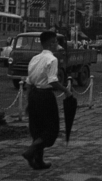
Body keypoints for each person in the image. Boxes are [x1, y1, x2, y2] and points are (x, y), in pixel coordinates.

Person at [22, 31, 72, 170]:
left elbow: (28, 82)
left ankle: (38, 161)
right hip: (45, 96)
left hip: (33, 95)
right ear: (51, 44)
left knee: (37, 129)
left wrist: (28, 101)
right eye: (56, 41)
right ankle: (30, 151)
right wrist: (66, 91)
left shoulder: (35, 59)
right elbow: (53, 81)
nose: (57, 44)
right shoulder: (52, 59)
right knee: (51, 130)